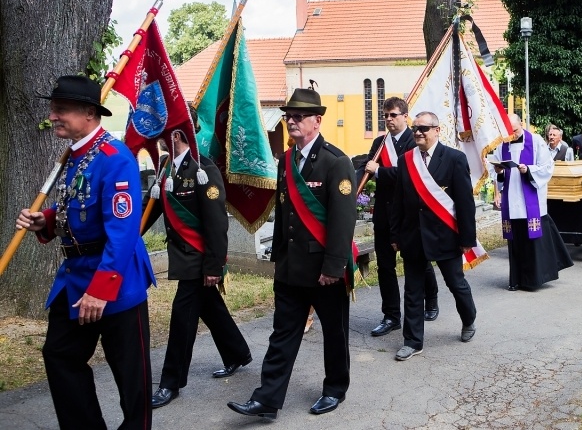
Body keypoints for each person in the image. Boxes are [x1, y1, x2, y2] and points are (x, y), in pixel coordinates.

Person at [15, 75, 155, 429]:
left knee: (130, 373)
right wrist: (46, 221)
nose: (53, 116)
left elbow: (122, 232)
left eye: (61, 109)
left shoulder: (115, 158)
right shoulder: (75, 155)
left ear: (89, 113)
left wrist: (100, 290)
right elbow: (77, 207)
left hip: (115, 278)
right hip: (76, 275)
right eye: (53, 109)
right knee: (60, 354)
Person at [228, 88, 356, 420]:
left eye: (299, 116)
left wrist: (333, 266)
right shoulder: (286, 161)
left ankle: (335, 388)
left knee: (334, 332)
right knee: (283, 333)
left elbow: (343, 220)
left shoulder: (336, 162)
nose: (292, 121)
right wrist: (279, 259)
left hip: (323, 269)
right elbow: (285, 215)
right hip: (290, 268)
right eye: (289, 116)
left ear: (317, 121)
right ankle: (266, 399)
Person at [146, 108, 252, 409]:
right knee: (210, 307)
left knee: (182, 319)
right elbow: (151, 207)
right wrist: (128, 234)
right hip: (183, 256)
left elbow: (217, 224)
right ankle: (237, 352)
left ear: (178, 133)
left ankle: (170, 383)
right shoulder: (166, 166)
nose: (158, 135)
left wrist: (214, 266)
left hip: (198, 258)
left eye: (164, 129)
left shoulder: (203, 169)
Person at [390, 111, 478, 361]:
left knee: (455, 283)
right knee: (413, 291)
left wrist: (467, 239)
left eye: (424, 128)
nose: (418, 132)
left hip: (445, 235)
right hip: (413, 236)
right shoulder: (406, 160)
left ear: (437, 130)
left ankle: (469, 319)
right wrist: (395, 234)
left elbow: (465, 202)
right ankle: (412, 341)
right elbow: (398, 200)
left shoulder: (454, 158)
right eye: (415, 128)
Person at [355, 97, 440, 337]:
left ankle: (431, 299)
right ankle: (391, 315)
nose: (389, 119)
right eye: (386, 115)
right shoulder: (380, 142)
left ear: (405, 116)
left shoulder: (415, 141)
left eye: (393, 115)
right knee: (385, 266)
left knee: (419, 262)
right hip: (384, 214)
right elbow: (367, 167)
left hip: (409, 214)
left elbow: (411, 173)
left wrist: (380, 171)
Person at [493, 114, 573, 290]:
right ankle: (515, 280)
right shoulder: (502, 143)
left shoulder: (536, 141)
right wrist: (499, 172)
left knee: (532, 242)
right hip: (511, 201)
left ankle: (533, 280)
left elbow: (547, 167)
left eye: (514, 130)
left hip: (531, 201)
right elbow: (496, 171)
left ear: (521, 124)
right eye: (509, 131)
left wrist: (528, 169)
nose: (512, 134)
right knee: (515, 242)